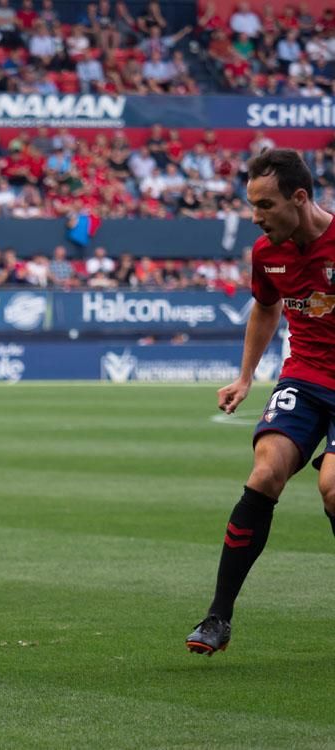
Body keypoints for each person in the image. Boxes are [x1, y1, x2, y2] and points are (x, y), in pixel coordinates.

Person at [186, 149, 335, 656]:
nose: (255, 216)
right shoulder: (266, 252)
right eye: (251, 204)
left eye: (265, 204)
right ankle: (217, 618)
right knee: (265, 473)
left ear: (299, 197)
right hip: (305, 376)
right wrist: (246, 377)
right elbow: (266, 308)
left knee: (332, 487)